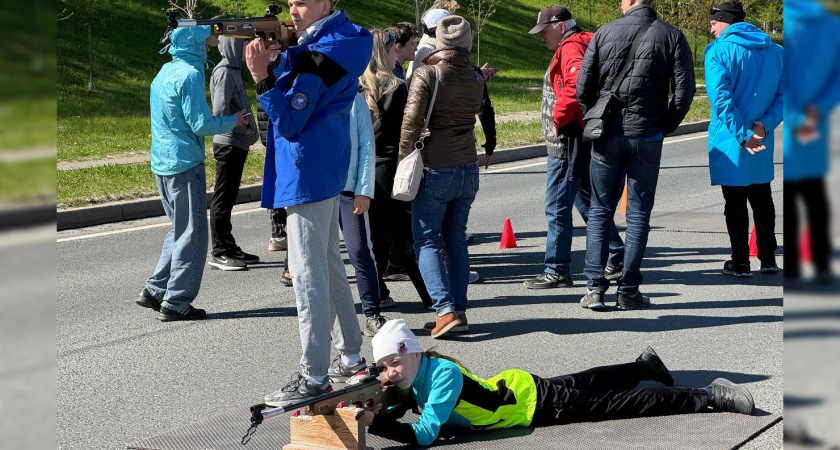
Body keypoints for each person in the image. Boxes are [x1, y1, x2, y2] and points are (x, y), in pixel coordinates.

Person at [244, 0, 373, 406]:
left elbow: (290, 120)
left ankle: (314, 375)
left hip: (308, 171)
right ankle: (351, 356)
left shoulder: (322, 52)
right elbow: (304, 87)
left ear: (325, 3)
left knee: (307, 275)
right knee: (329, 267)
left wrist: (260, 76)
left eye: (301, 2)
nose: (292, 10)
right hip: (321, 168)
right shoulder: (334, 41)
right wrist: (280, 58)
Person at [364, 319, 756, 446]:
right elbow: (398, 406)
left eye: (395, 362)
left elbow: (426, 433)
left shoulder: (441, 375)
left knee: (615, 405)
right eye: (383, 367)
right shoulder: (412, 380)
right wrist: (373, 408)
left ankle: (709, 395)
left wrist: (376, 425)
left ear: (414, 352)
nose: (390, 372)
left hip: (534, 403)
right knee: (588, 382)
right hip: (520, 389)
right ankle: (643, 367)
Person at [576, 0, 695, 311]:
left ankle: (594, 288)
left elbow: (582, 87)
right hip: (648, 133)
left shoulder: (604, 32)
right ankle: (628, 290)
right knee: (639, 215)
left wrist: (595, 117)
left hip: (608, 133)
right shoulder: (672, 35)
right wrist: (663, 126)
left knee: (601, 210)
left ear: (628, 2)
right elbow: (684, 93)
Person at [139, 26, 247, 321]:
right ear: (195, 46)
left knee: (179, 229)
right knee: (194, 234)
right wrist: (233, 120)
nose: (209, 49)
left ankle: (155, 289)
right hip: (185, 164)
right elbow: (201, 124)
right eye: (206, 45)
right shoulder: (190, 76)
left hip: (162, 162)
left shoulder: (164, 71)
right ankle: (176, 301)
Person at [524, 5, 625, 291]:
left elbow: (574, 85)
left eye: (544, 32)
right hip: (578, 138)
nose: (542, 38)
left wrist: (558, 117)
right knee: (587, 203)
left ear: (559, 25)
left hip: (566, 141)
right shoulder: (583, 41)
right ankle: (617, 254)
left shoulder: (571, 47)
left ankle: (556, 269)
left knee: (557, 206)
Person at [400, 15, 484, 339]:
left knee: (426, 240)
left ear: (439, 42)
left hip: (436, 168)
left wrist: (402, 165)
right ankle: (458, 311)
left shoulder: (427, 74)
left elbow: (410, 124)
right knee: (456, 239)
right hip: (467, 166)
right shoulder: (476, 77)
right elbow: (482, 112)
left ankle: (444, 309)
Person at [704, 1, 783, 278]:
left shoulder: (719, 52)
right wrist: (765, 125)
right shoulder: (776, 51)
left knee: (734, 201)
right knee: (762, 197)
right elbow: (783, 95)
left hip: (731, 140)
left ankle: (740, 261)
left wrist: (742, 135)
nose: (711, 28)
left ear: (725, 20)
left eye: (713, 22)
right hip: (762, 135)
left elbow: (721, 100)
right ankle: (768, 258)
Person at [361, 29, 435, 318]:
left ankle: (377, 294)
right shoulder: (396, 85)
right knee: (404, 238)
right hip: (392, 167)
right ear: (386, 52)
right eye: (393, 50)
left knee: (374, 239)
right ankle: (429, 297)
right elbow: (407, 129)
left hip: (366, 169)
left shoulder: (359, 85)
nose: (397, 55)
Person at [783, 0, 840, 284]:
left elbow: (783, 82)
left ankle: (794, 265)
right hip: (816, 121)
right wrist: (818, 111)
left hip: (799, 123)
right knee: (815, 193)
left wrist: (795, 118)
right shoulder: (832, 27)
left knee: (795, 194)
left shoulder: (789, 26)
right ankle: (820, 263)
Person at [208, 35, 261, 271]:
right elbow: (220, 111)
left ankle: (229, 246)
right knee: (223, 199)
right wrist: (240, 123)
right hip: (228, 143)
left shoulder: (234, 69)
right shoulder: (224, 72)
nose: (247, 49)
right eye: (243, 44)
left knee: (229, 199)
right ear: (233, 46)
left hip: (237, 143)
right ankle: (219, 251)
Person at [341, 90, 385, 336]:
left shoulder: (354, 100)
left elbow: (367, 145)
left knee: (359, 251)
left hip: (349, 192)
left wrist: (364, 190)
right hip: (317, 194)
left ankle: (371, 313)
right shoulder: (311, 93)